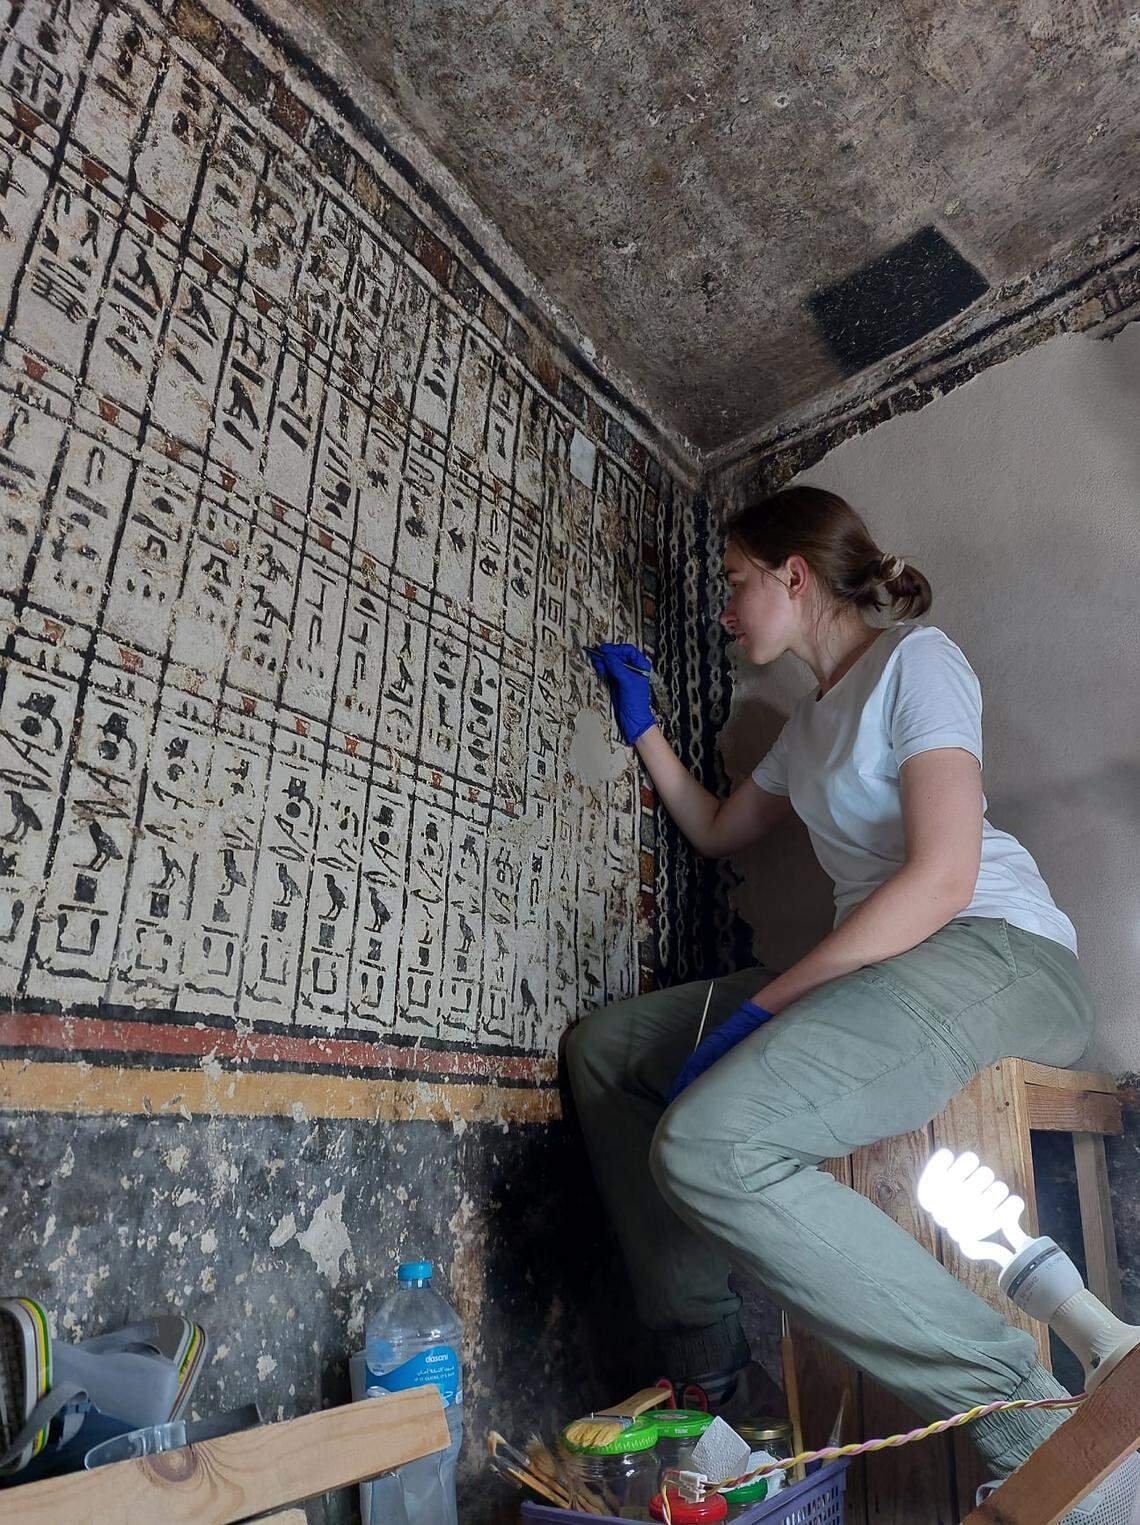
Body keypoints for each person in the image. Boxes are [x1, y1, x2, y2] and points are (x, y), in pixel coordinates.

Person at [567, 485, 1138, 1520]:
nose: (726, 611)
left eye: (737, 584)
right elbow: (713, 826)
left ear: (794, 575)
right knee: (610, 1050)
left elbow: (943, 879)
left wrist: (764, 1007)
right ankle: (709, 1366)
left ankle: (1030, 1415)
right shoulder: (805, 724)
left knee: (711, 1144)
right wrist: (641, 723)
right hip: (884, 967)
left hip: (999, 955)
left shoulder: (919, 663)